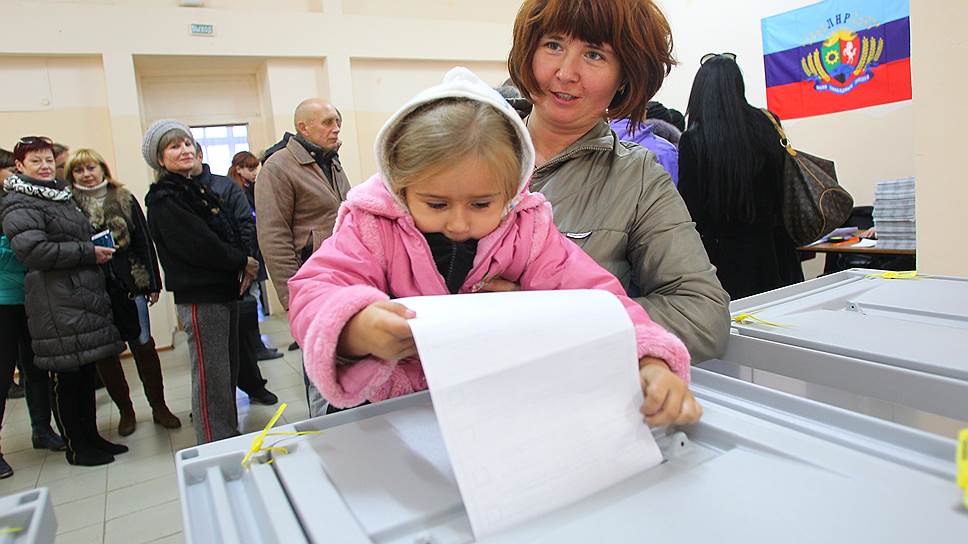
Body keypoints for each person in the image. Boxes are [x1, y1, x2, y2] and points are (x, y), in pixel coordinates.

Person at [289, 67, 699, 427]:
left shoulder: (528, 231)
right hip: (391, 413)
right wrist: (356, 329)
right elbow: (314, 290)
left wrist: (649, 359)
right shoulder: (371, 227)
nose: (459, 222)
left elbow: (598, 299)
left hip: (489, 408)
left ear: (513, 189)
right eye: (436, 204)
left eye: (482, 204)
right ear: (400, 184)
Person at [506, 0, 730, 364]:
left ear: (624, 76)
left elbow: (703, 316)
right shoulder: (467, 140)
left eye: (594, 55)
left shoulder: (638, 177)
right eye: (553, 45)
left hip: (559, 393)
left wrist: (552, 319)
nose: (566, 72)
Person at [1, 136, 126, 466]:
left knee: (86, 375)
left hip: (80, 294)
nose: (44, 167)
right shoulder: (19, 202)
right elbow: (32, 250)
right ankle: (77, 447)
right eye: (35, 162)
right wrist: (87, 252)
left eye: (47, 161)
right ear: (20, 166)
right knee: (68, 378)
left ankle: (93, 438)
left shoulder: (59, 195)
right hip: (54, 300)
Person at [142, 120, 256, 444]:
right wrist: (240, 260)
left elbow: (228, 229)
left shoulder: (193, 188)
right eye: (174, 146)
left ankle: (227, 431)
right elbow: (200, 244)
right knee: (211, 374)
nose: (185, 150)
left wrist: (241, 260)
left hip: (222, 290)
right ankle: (214, 440)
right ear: (160, 159)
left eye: (188, 144)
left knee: (226, 369)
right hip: (201, 295)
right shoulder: (164, 198)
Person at [66, 149, 182, 436]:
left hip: (130, 284)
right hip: (92, 289)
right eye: (79, 170)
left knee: (143, 344)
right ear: (71, 176)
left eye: (91, 167)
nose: (86, 174)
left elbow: (144, 242)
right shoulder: (67, 205)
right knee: (106, 353)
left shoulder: (124, 198)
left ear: (103, 168)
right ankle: (126, 412)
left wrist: (153, 283)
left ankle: (159, 407)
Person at [677, 54, 804, 299]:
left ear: (700, 91)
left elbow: (691, 210)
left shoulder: (695, 139)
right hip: (777, 251)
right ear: (739, 85)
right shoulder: (768, 123)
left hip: (724, 260)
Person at [256, 98, 351, 415]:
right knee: (320, 367)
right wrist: (291, 297)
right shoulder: (278, 167)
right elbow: (273, 235)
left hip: (344, 277)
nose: (335, 127)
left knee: (345, 362)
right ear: (303, 127)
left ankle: (348, 424)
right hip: (311, 283)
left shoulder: (332, 162)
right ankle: (324, 433)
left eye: (336, 120)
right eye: (327, 122)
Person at [190, 145, 277, 406]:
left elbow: (245, 225)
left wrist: (247, 263)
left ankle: (253, 385)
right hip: (201, 284)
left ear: (200, 155)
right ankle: (213, 403)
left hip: (236, 273)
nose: (183, 153)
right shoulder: (170, 194)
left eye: (188, 148)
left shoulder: (223, 187)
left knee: (242, 336)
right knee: (208, 354)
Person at [0, 149, 67, 479]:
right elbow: (22, 249)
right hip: (3, 301)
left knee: (38, 368)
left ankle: (42, 429)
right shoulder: (11, 206)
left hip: (33, 297)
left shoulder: (28, 200)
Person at [227, 151, 282, 361]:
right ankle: (255, 348)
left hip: (254, 253)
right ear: (238, 168)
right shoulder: (237, 191)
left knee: (254, 299)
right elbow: (246, 226)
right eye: (250, 169)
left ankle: (256, 346)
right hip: (246, 256)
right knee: (250, 300)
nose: (254, 173)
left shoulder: (249, 189)